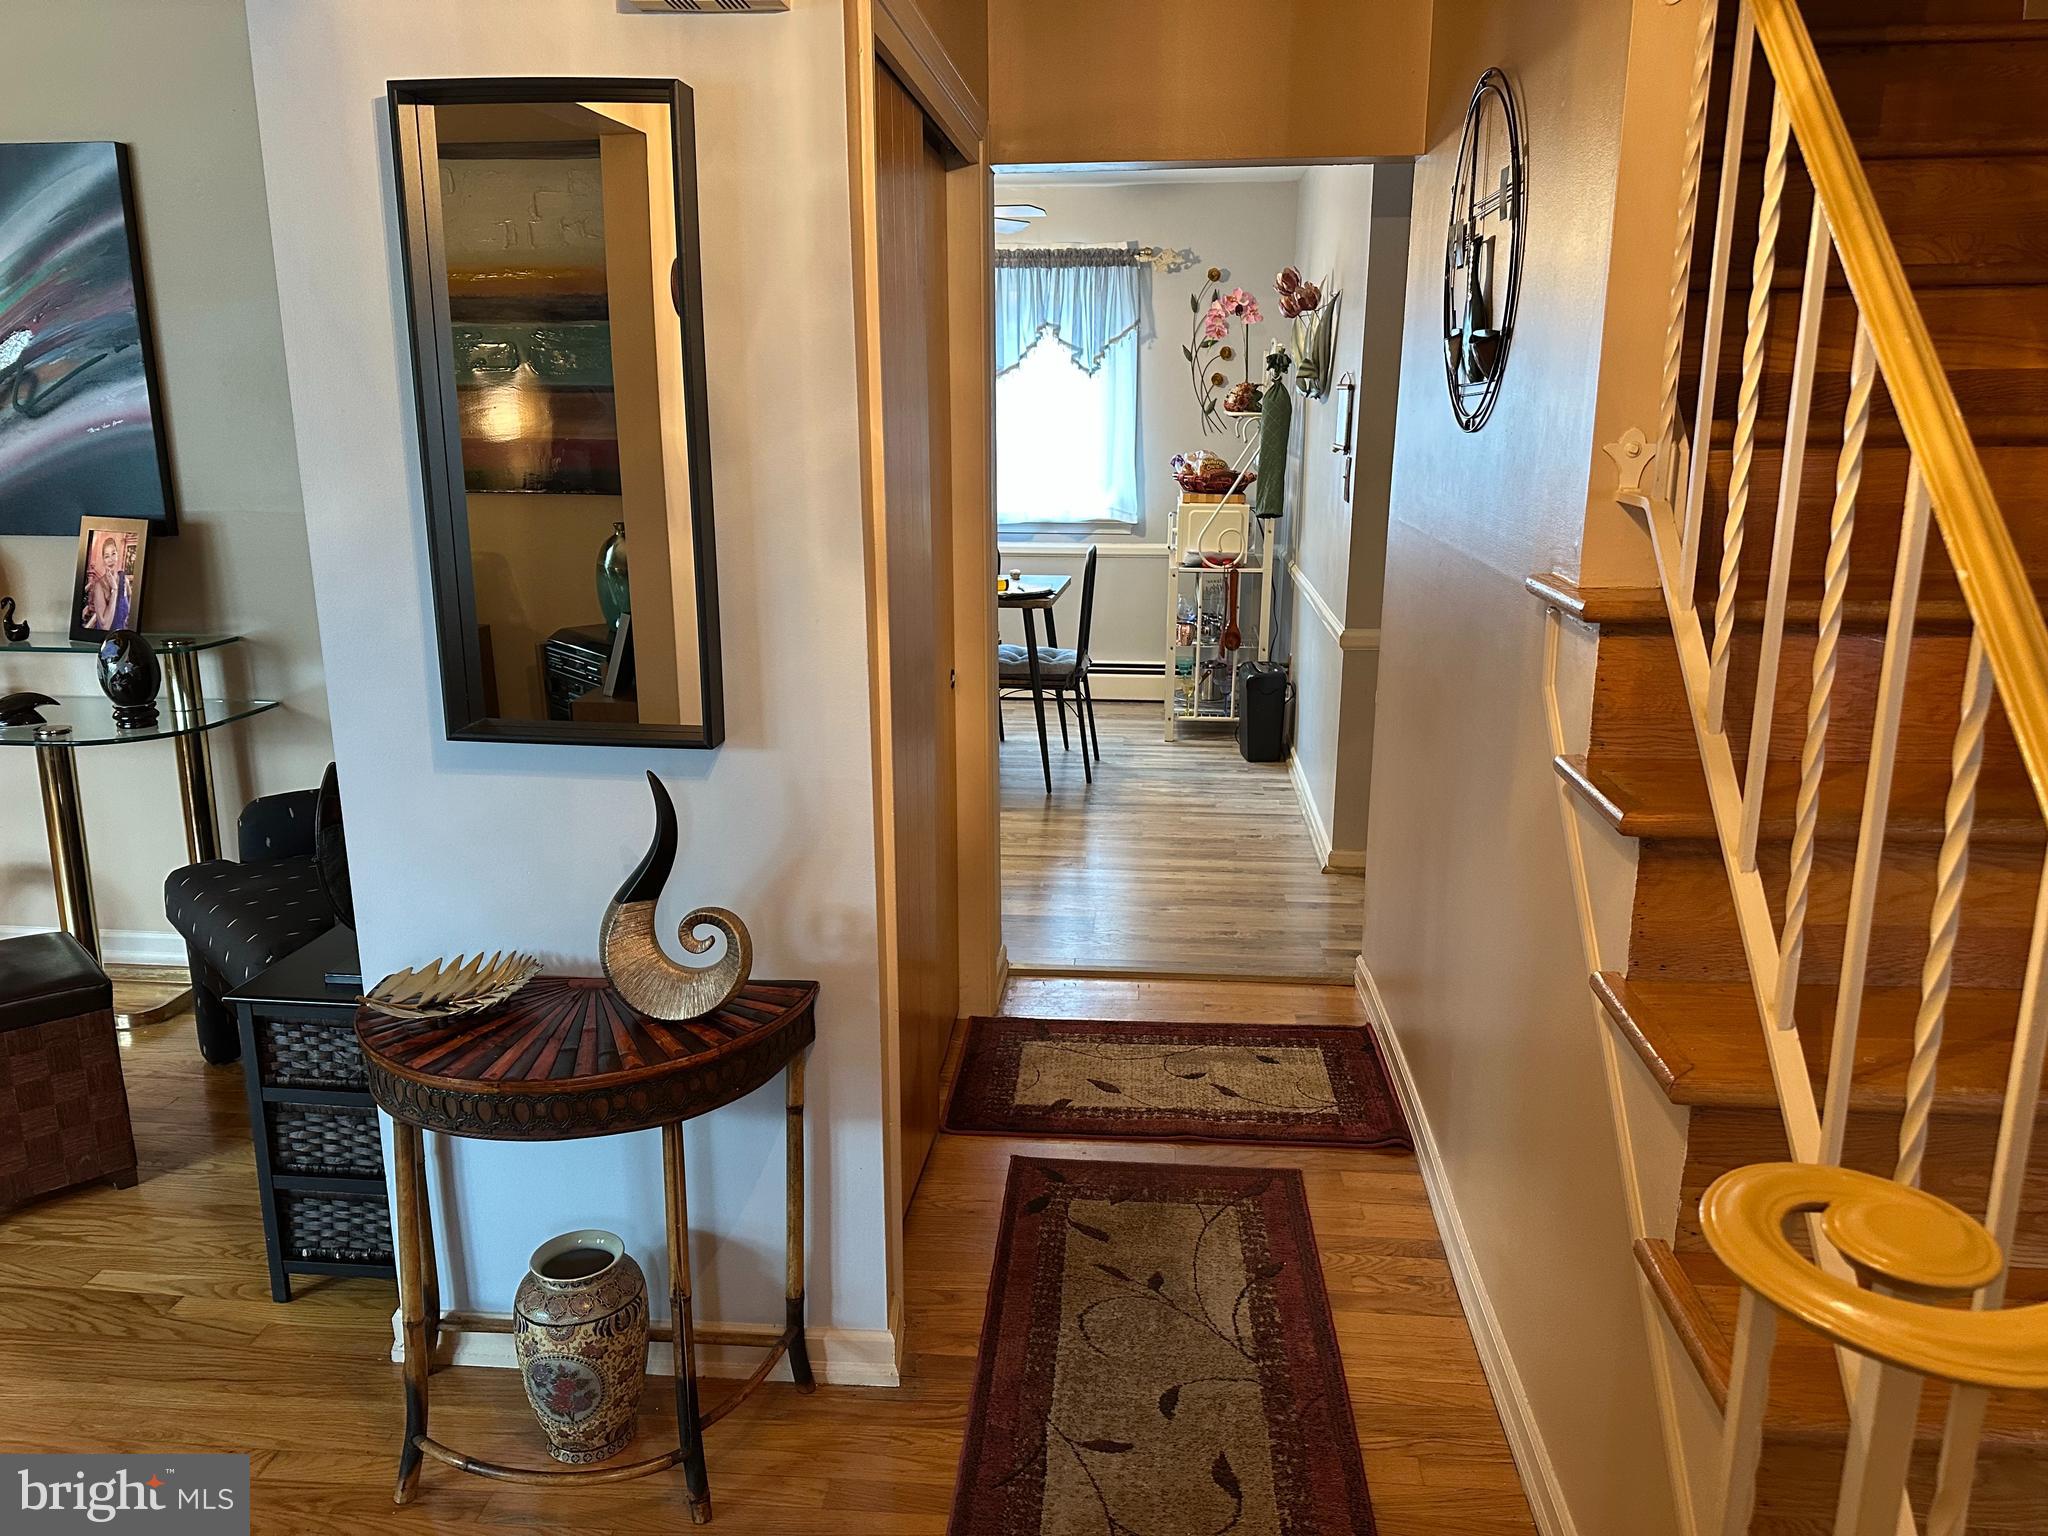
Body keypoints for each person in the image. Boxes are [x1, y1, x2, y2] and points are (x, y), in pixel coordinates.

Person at [80, 532, 132, 632]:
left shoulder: (124, 579)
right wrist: (114, 590)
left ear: (117, 555)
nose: (111, 559)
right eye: (107, 556)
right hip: (105, 640)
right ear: (103, 559)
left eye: (113, 554)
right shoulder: (99, 585)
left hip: (123, 637)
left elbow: (130, 606)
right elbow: (104, 626)